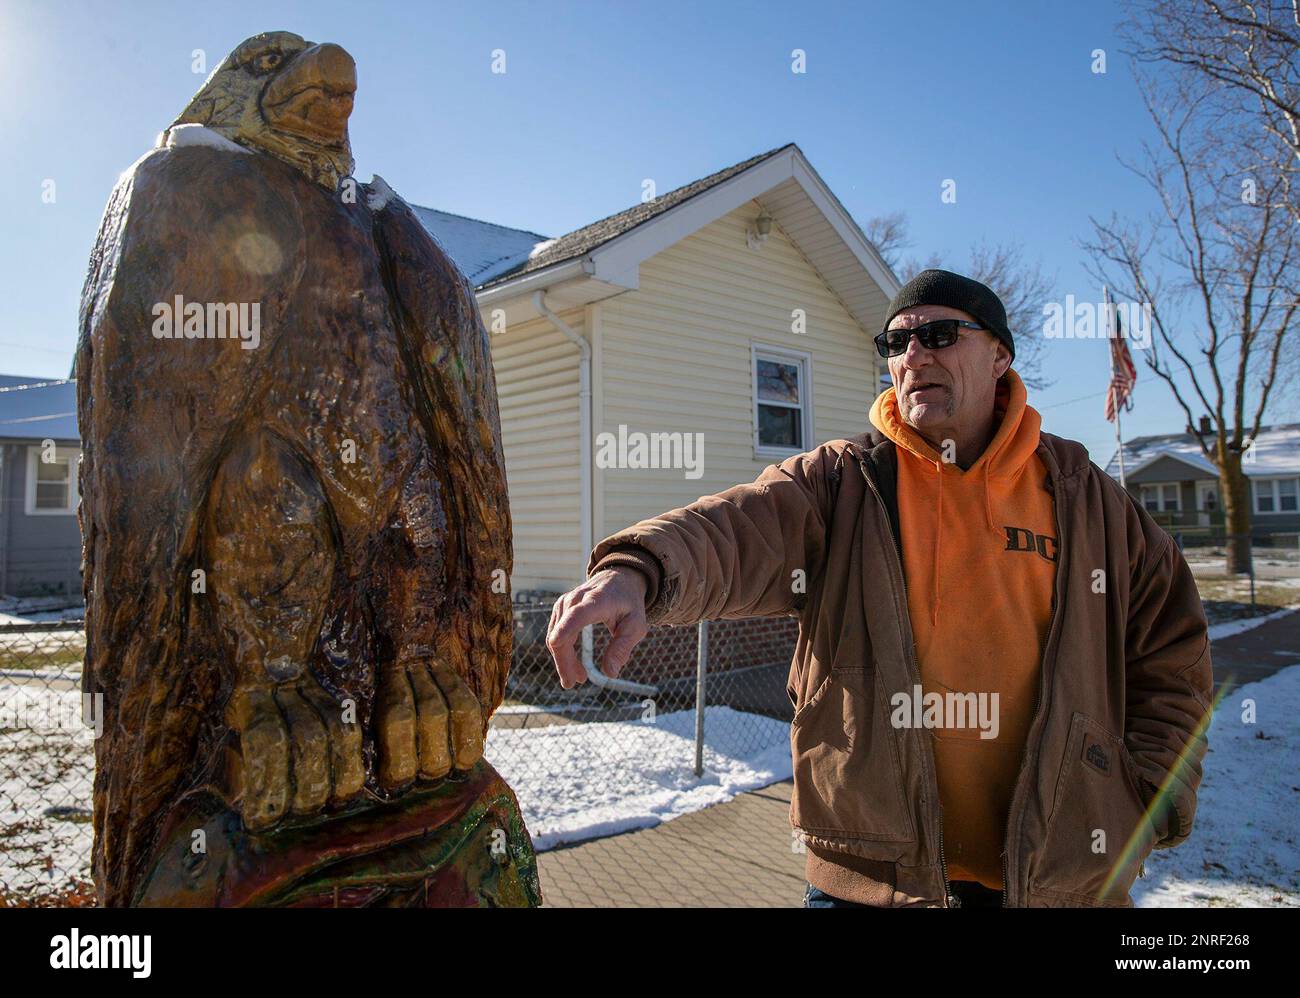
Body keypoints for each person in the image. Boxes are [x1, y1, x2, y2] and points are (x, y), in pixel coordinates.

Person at [546, 269, 1213, 908]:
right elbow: (734, 529)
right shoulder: (845, 483)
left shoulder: (1086, 498)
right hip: (869, 876)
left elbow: (1173, 651)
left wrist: (1154, 790)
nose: (914, 354)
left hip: (1060, 876)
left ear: (1000, 357)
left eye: (939, 335)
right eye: (896, 342)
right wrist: (635, 570)